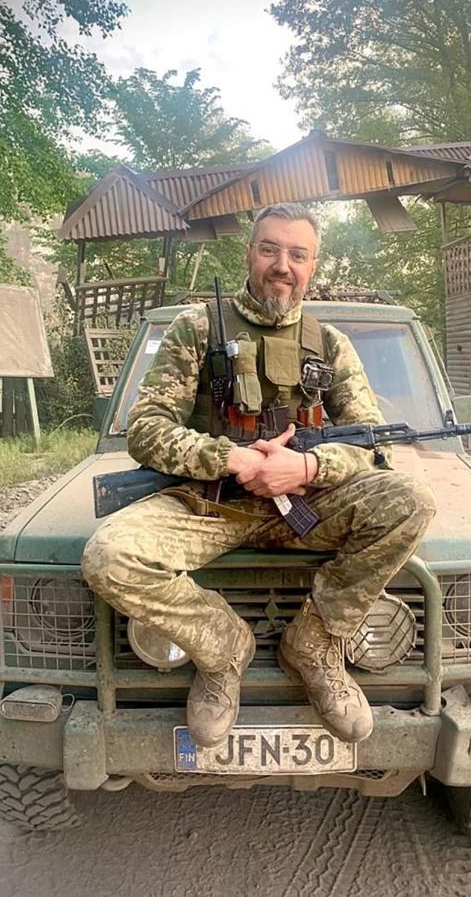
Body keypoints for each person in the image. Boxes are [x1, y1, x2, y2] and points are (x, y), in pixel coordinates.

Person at [82, 202, 436, 750]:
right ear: (249, 253)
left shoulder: (332, 345)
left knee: (409, 499)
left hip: (305, 509)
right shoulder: (196, 330)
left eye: (297, 254)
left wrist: (310, 466)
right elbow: (145, 429)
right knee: (109, 557)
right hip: (209, 505)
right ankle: (223, 652)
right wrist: (230, 458)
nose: (282, 264)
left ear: (313, 264)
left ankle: (314, 647)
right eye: (270, 249)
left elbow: (374, 439)